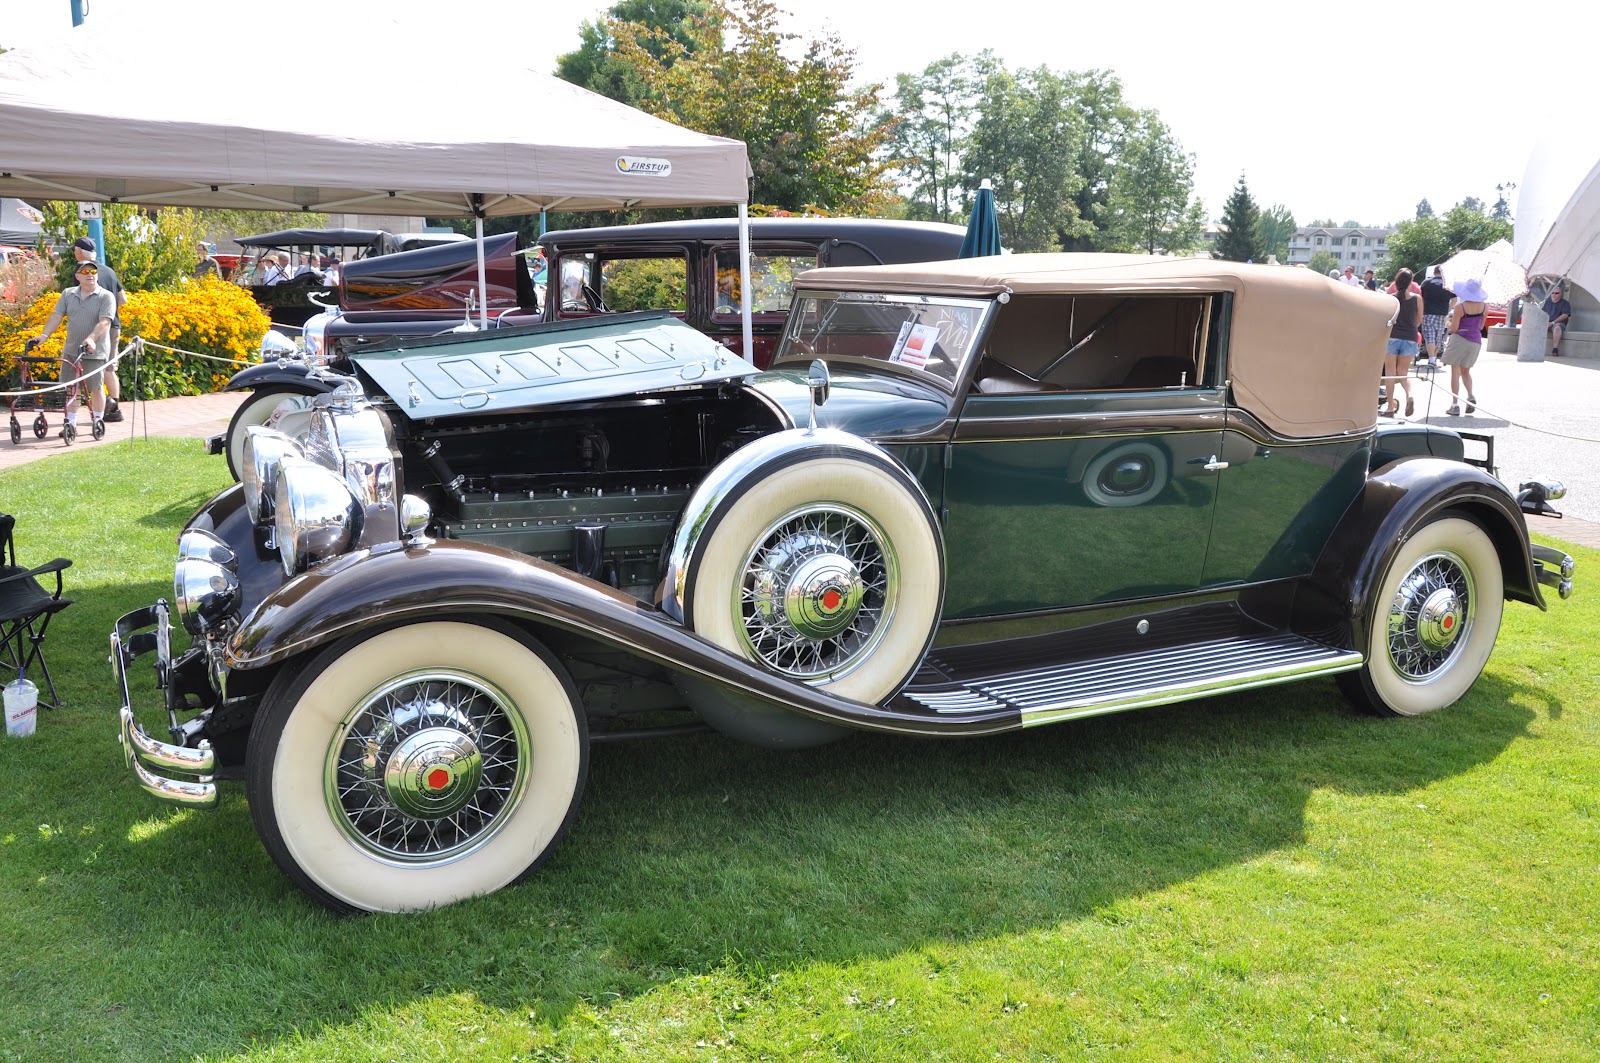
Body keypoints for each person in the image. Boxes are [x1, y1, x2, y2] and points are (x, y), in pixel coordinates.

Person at [33, 260, 116, 438]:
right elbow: (56, 316)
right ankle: (70, 423)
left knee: (95, 387)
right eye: (85, 271)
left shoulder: (106, 296)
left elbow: (105, 322)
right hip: (71, 351)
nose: (90, 274)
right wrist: (44, 335)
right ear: (77, 276)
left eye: (93, 271)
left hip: (95, 352)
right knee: (71, 389)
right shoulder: (68, 294)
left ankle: (98, 421)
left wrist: (91, 339)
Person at [1443, 277, 1489, 416]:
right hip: (1475, 340)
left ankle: (1454, 404)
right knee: (1466, 372)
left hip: (1460, 339)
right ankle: (1470, 396)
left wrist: (1448, 322)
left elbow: (1455, 328)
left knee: (1455, 373)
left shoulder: (1460, 307)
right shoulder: (1484, 306)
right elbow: (1481, 326)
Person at [1383, 267, 1422, 417]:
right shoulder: (1417, 298)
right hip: (1410, 337)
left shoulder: (1391, 298)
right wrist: (1411, 328)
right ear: (1411, 282)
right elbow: (1419, 319)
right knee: (1403, 372)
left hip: (1392, 336)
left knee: (1390, 373)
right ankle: (1409, 395)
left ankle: (1390, 407)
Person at [1419, 266, 1456, 368]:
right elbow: (1454, 300)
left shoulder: (1425, 283)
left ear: (1434, 272)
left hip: (1428, 313)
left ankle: (1432, 359)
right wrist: (1448, 310)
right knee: (1438, 337)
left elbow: (1421, 298)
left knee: (1429, 336)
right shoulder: (1448, 284)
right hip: (1442, 314)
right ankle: (1433, 358)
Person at [1541, 284, 1573, 356]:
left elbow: (1565, 315)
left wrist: (1552, 323)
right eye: (1552, 293)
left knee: (1557, 328)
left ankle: (1555, 349)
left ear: (1561, 294)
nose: (1554, 294)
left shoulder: (1565, 303)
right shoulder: (1547, 302)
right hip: (1547, 322)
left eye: (1556, 293)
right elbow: (1542, 313)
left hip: (1557, 323)